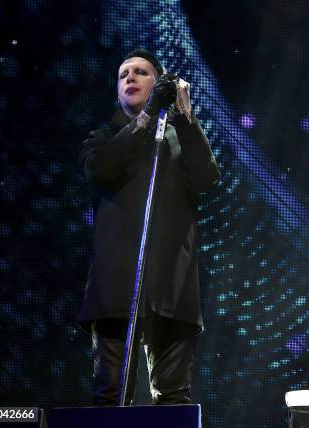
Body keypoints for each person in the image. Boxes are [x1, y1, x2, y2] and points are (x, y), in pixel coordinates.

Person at [78, 49, 220, 405]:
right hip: (115, 287)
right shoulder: (102, 137)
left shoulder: (179, 136)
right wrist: (145, 118)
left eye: (141, 72)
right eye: (124, 73)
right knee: (110, 394)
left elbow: (206, 177)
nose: (130, 77)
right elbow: (102, 170)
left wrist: (184, 116)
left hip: (172, 283)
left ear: (159, 87)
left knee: (173, 397)